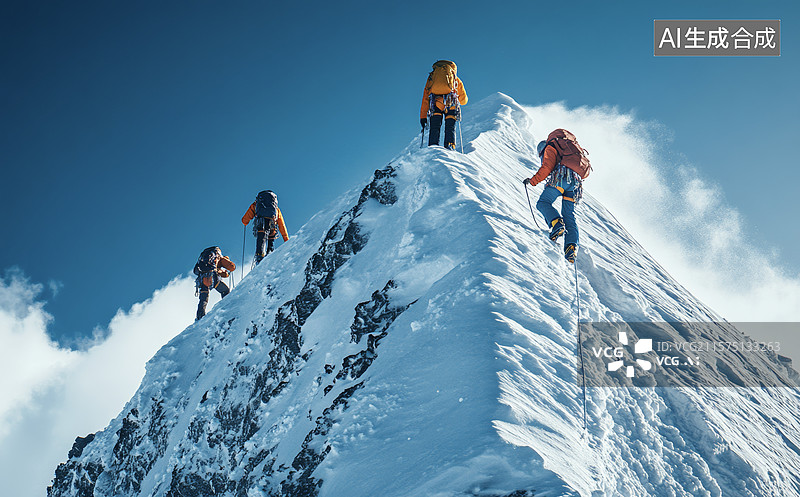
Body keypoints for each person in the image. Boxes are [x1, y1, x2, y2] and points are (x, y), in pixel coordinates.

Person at [523, 129, 592, 264]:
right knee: (569, 215)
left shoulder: (550, 147)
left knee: (543, 203)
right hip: (575, 185)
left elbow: (547, 167)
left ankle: (556, 223)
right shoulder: (568, 150)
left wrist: (532, 181)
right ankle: (571, 247)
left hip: (561, 179)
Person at [420, 60, 468, 150]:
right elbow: (463, 101)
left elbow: (425, 98)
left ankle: (433, 147)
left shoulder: (431, 78)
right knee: (450, 127)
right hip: (451, 104)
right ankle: (450, 146)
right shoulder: (455, 79)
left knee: (435, 127)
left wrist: (423, 117)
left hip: (435, 104)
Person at [241, 190, 289, 264]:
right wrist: (286, 239)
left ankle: (259, 256)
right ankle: (270, 253)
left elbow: (247, 216)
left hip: (261, 223)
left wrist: (245, 222)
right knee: (271, 238)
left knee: (261, 238)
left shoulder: (256, 204)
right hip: (272, 224)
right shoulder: (276, 209)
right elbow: (281, 224)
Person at [193, 246, 236, 320]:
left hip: (203, 279)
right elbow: (232, 267)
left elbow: (196, 271)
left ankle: (200, 316)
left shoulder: (204, 259)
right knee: (225, 290)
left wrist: (221, 271)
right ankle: (228, 307)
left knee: (204, 298)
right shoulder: (220, 257)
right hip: (212, 277)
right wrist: (225, 272)